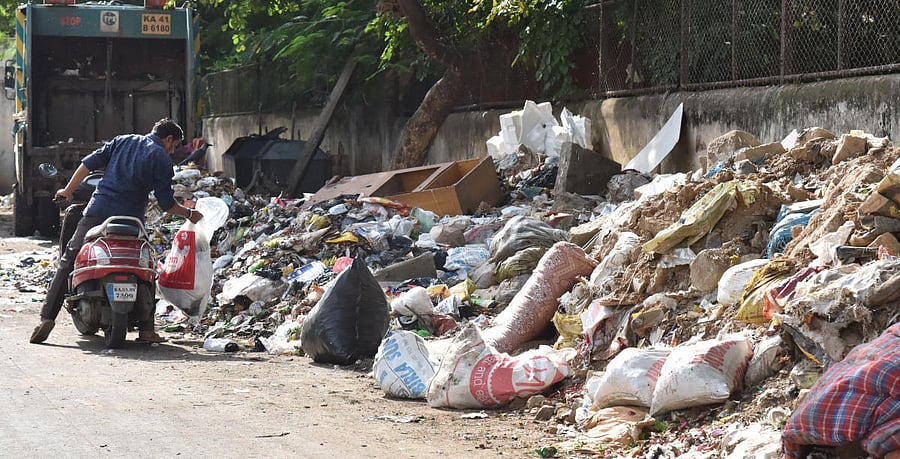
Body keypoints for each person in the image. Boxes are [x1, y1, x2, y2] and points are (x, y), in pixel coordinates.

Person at [30, 118, 204, 344]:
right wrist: (190, 214)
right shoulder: (160, 157)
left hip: (98, 210)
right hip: (131, 219)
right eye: (175, 145)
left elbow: (88, 164)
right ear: (168, 139)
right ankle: (147, 330)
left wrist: (68, 190)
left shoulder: (122, 140)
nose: (173, 151)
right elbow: (167, 205)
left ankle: (46, 319)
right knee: (145, 264)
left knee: (69, 259)